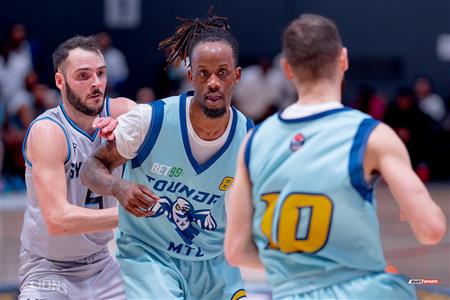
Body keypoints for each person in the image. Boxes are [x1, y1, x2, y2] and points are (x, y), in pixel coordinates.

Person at [224, 14, 446, 300]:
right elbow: (431, 230)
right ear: (343, 59)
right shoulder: (371, 135)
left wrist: (298, 266)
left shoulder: (253, 142)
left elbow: (235, 250)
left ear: (286, 69)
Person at [80, 12, 253, 300]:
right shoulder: (152, 120)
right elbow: (91, 168)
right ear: (190, 76)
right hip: (149, 254)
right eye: (203, 73)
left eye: (222, 72)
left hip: (213, 262)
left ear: (236, 76)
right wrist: (118, 187)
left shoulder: (247, 136)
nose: (213, 82)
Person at [19, 35, 135, 300]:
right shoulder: (48, 131)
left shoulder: (123, 113)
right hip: (47, 269)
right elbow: (58, 220)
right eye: (83, 76)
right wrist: (132, 213)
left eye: (101, 74)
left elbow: (171, 126)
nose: (96, 83)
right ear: (60, 81)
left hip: (103, 265)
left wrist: (131, 133)